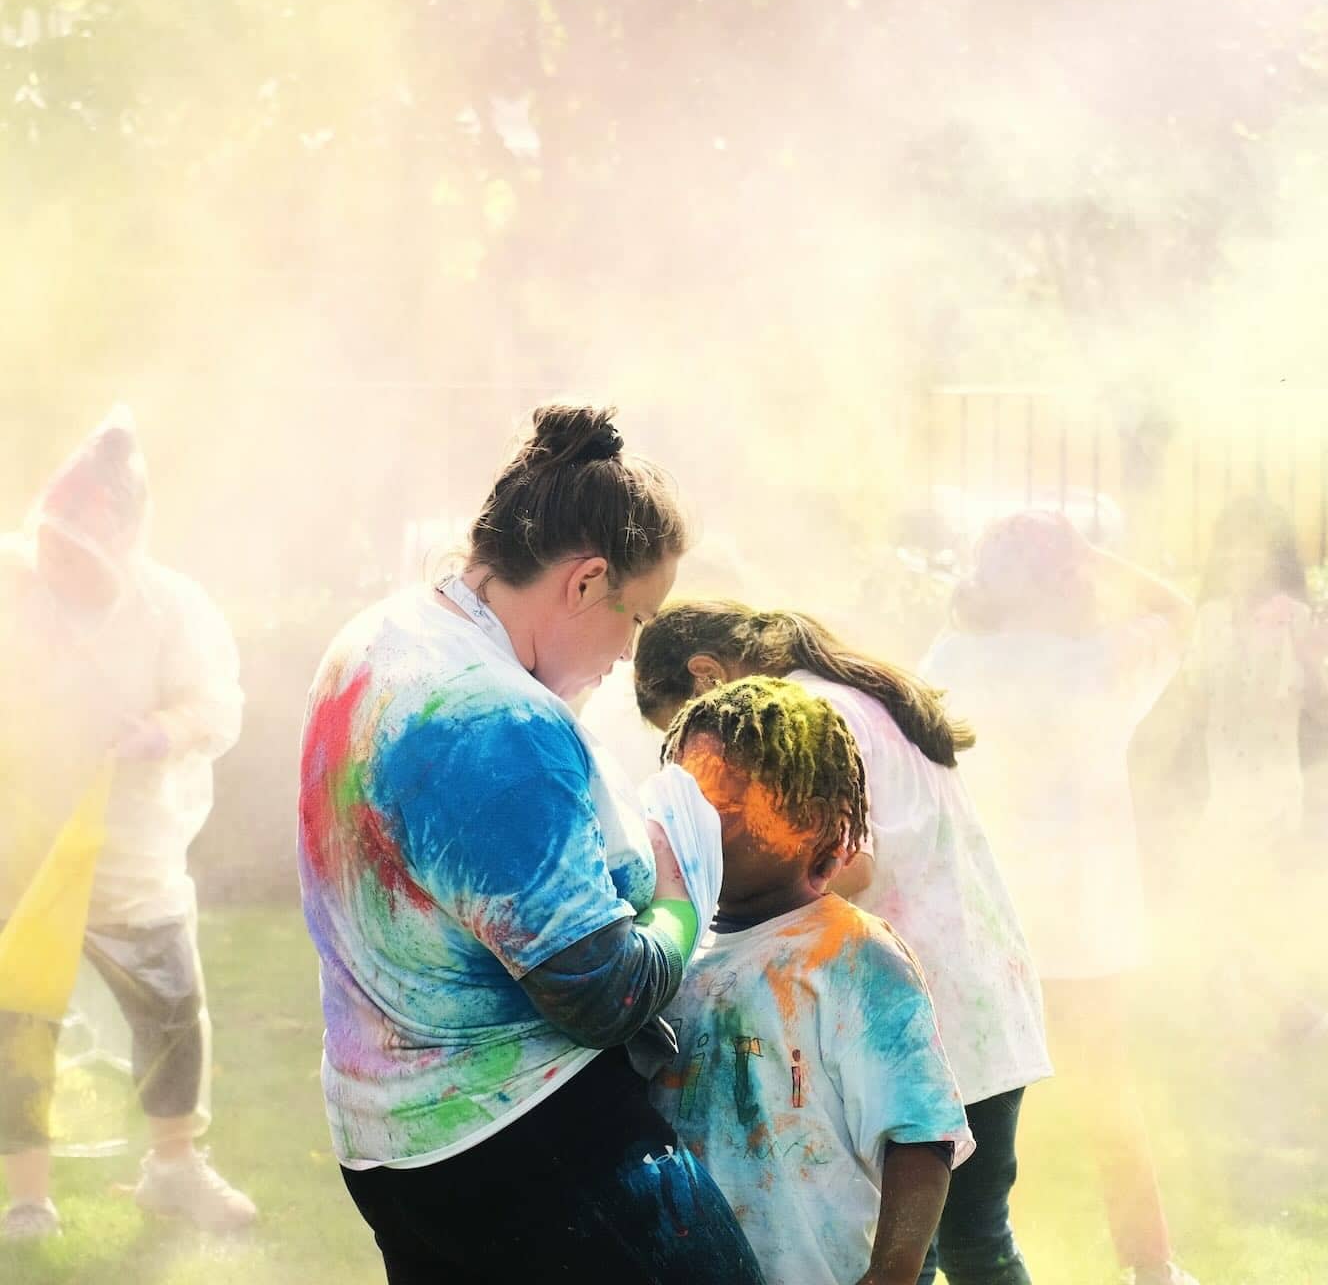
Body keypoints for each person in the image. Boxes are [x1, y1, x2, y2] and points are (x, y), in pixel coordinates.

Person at [296, 403, 764, 1282]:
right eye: (639, 619)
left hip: (389, 1139)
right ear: (587, 582)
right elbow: (602, 992)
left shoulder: (383, 633)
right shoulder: (500, 722)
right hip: (519, 1141)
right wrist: (679, 892)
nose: (632, 656)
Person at [635, 601, 1051, 1285]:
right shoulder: (847, 696)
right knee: (976, 1240)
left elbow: (849, 858)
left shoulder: (797, 721)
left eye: (710, 793)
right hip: (964, 1005)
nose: (698, 811)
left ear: (708, 677)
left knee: (943, 1243)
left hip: (894, 1011)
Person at [922, 511, 1200, 1285]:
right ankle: (1152, 1268)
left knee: (953, 1108)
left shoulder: (949, 659)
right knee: (1109, 1099)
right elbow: (1180, 611)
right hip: (1085, 923)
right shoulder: (1100, 662)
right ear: (1070, 582)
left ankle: (937, 1256)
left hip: (976, 920)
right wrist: (1096, 555)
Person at [0, 408, 255, 1239]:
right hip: (20, 852)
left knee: (171, 1008)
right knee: (16, 1018)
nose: (55, 560)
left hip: (130, 851)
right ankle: (26, 1198)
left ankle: (174, 1169)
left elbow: (216, 707)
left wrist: (162, 733)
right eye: (51, 542)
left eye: (75, 550)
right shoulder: (10, 582)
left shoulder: (171, 609)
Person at [653, 675, 974, 1285]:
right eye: (688, 803)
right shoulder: (666, 946)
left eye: (728, 805)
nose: (702, 823)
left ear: (815, 822)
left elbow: (920, 1137)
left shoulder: (852, 957)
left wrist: (890, 1274)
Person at [1185, 497, 1328, 1041]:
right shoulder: (1210, 619)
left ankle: (1291, 1011)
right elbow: (1197, 701)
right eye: (1233, 546)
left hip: (1271, 789)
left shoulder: (1296, 618)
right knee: (1220, 910)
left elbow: (1322, 708)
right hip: (1225, 787)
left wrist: (1311, 661)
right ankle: (1254, 1018)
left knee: (1212, 906)